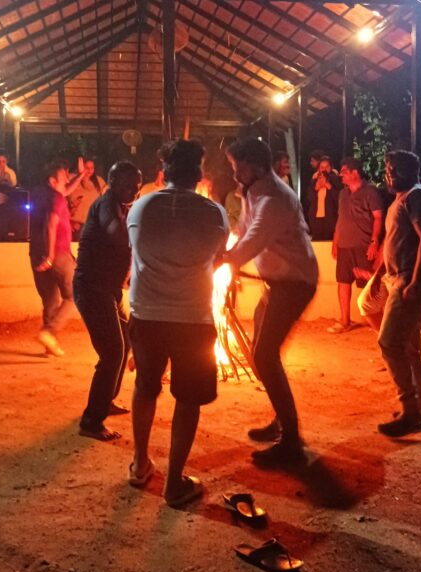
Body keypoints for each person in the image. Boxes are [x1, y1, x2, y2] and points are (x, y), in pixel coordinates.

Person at [127, 139, 228, 507]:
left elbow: (135, 250)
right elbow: (218, 260)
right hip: (192, 319)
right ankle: (173, 484)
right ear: (198, 173)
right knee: (187, 399)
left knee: (145, 387)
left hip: (146, 315)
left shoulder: (141, 207)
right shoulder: (214, 213)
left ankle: (140, 464)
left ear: (164, 171)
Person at [224, 136, 318, 468]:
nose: (235, 175)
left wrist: (220, 260)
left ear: (258, 167)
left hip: (293, 285)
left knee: (264, 355)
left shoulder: (274, 199)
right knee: (258, 354)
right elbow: (242, 231)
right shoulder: (254, 191)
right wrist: (225, 253)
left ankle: (291, 441)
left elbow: (251, 242)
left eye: (238, 168)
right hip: (277, 284)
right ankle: (282, 421)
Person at [360, 151, 421, 437]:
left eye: (395, 169)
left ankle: (412, 412)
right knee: (401, 341)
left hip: (412, 281)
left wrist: (416, 281)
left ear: (413, 171)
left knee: (390, 342)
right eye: (388, 169)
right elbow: (395, 241)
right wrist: (377, 276)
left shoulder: (418, 196)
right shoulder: (401, 198)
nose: (390, 174)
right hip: (396, 279)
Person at [74, 161, 142, 441]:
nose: (134, 191)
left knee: (124, 342)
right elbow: (117, 234)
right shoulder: (105, 205)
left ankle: (106, 400)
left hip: (109, 290)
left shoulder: (123, 206)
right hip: (92, 289)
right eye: (128, 185)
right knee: (112, 352)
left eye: (137, 186)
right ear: (112, 183)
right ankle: (92, 421)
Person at [29, 158, 86, 356]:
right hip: (57, 254)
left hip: (36, 254)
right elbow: (51, 224)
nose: (67, 180)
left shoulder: (41, 195)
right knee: (74, 295)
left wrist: (81, 175)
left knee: (51, 300)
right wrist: (51, 255)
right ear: (53, 182)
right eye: (63, 178)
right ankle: (49, 332)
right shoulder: (57, 198)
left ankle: (49, 345)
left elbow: (67, 190)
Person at [328, 157, 384, 334]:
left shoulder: (371, 192)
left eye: (345, 171)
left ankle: (381, 321)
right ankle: (345, 321)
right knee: (343, 281)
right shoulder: (343, 194)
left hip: (363, 245)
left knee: (370, 283)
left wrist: (374, 242)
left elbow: (378, 218)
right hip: (344, 246)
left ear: (355, 172)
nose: (341, 175)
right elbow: (341, 219)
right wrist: (335, 242)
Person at [68, 158, 107, 238]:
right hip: (77, 226)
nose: (89, 171)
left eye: (92, 168)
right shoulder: (71, 179)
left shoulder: (99, 181)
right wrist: (69, 222)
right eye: (86, 168)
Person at [307, 155, 340, 240]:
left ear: (331, 168)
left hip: (331, 219)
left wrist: (328, 185)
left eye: (327, 167)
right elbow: (309, 199)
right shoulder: (314, 180)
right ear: (319, 169)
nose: (324, 169)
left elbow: (339, 199)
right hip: (316, 218)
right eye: (322, 167)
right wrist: (316, 188)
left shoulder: (336, 180)